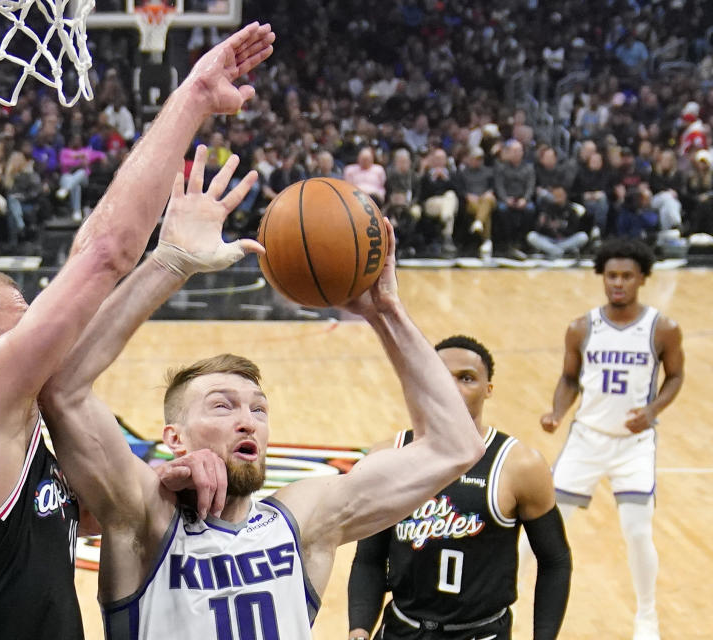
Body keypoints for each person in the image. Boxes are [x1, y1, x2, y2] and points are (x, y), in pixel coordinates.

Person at [0, 22, 276, 640]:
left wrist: (164, 480)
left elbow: (81, 518)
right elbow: (100, 256)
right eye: (26, 315)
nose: (48, 327)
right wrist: (195, 96)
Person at [38, 177, 485, 639]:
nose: (246, 421)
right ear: (175, 437)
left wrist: (385, 311)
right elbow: (63, 391)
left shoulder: (302, 521)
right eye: (222, 406)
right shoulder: (146, 518)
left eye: (258, 410)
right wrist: (170, 262)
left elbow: (455, 445)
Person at [346, 335, 571, 640]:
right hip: (402, 630)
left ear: (488, 389)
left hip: (480, 633)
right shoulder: (388, 457)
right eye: (440, 376)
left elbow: (555, 560)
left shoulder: (519, 465)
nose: (451, 387)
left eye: (466, 378)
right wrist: (359, 628)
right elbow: (369, 559)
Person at [539, 238, 685, 640]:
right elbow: (570, 378)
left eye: (626, 276)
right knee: (545, 528)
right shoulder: (581, 327)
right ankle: (518, 603)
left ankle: (646, 616)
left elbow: (675, 376)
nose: (618, 283)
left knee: (638, 532)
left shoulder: (663, 328)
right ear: (602, 277)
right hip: (585, 440)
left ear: (642, 279)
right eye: (611, 276)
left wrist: (653, 411)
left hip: (633, 446)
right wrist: (557, 411)